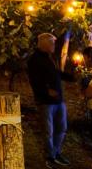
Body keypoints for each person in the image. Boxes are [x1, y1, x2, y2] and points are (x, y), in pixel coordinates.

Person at [27, 32, 73, 167]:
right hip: (46, 101)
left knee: (62, 128)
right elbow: (34, 81)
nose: (54, 45)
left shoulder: (49, 58)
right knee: (49, 131)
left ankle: (56, 152)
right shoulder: (34, 60)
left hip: (58, 100)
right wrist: (46, 91)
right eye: (52, 43)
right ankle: (50, 156)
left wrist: (69, 77)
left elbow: (56, 73)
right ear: (45, 44)